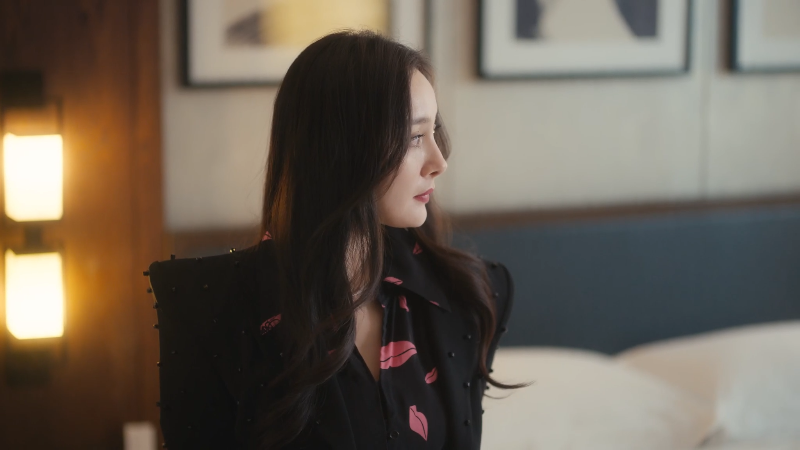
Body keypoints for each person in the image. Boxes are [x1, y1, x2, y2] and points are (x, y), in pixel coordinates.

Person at [147, 30, 528, 450]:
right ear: (343, 148)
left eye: (434, 131)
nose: (439, 162)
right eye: (414, 137)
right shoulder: (213, 310)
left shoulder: (469, 296)